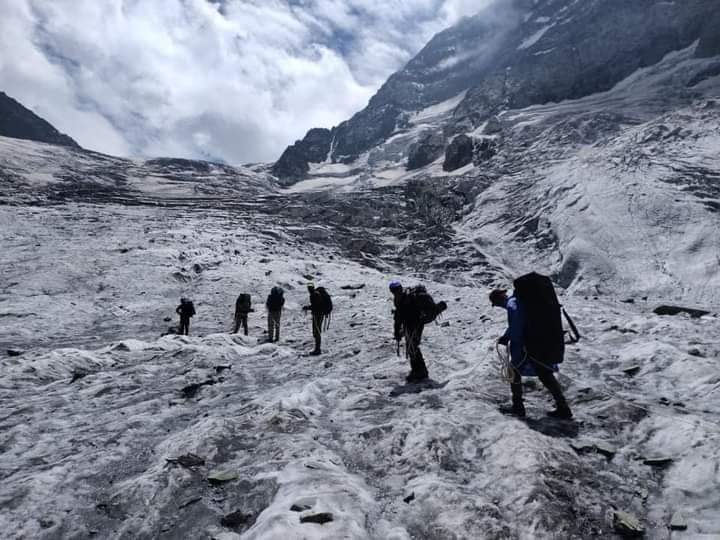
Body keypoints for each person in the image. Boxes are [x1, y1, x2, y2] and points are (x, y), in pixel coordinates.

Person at [490, 288, 572, 419]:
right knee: (545, 374)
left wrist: (510, 338)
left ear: (500, 298)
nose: (499, 306)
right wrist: (507, 335)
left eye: (497, 303)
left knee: (515, 371)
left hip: (528, 345)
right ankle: (563, 408)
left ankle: (518, 408)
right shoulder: (519, 301)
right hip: (538, 342)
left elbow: (517, 326)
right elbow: (516, 324)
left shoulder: (512, 304)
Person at [390, 280, 447, 383]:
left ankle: (420, 372)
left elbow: (399, 317)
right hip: (411, 324)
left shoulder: (405, 298)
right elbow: (399, 316)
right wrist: (397, 331)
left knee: (412, 347)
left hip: (416, 324)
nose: (396, 292)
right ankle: (417, 371)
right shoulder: (401, 299)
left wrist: (397, 331)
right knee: (411, 347)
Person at [302, 284, 332, 355]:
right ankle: (317, 348)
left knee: (317, 331)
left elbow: (316, 306)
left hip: (317, 314)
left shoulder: (314, 295)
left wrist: (308, 308)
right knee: (317, 331)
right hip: (320, 314)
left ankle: (317, 350)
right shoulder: (317, 294)